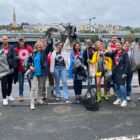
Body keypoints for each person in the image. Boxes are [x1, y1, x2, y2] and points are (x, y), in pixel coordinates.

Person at [27, 33, 53, 110]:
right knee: (33, 88)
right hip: (34, 72)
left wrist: (50, 37)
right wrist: (30, 66)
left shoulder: (44, 53)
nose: (39, 46)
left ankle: (39, 99)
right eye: (38, 45)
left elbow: (50, 45)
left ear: (42, 46)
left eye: (40, 45)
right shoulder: (33, 53)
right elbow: (29, 61)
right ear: (36, 46)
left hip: (42, 73)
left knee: (40, 87)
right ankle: (32, 103)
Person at [105, 41, 129, 107]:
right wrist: (104, 53)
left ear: (122, 45)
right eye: (116, 45)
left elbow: (127, 63)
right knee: (116, 87)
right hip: (115, 72)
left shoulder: (124, 53)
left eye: (119, 45)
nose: (117, 46)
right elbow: (109, 54)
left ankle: (124, 100)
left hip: (121, 73)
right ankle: (119, 98)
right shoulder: (115, 52)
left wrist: (125, 72)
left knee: (122, 87)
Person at [50, 37, 70, 103]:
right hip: (56, 68)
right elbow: (52, 63)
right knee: (57, 82)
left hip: (63, 68)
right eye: (59, 45)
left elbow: (66, 44)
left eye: (61, 45)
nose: (60, 46)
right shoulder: (53, 53)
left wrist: (68, 38)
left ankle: (66, 97)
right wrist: (52, 71)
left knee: (64, 82)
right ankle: (58, 95)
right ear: (56, 46)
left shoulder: (64, 52)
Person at [15, 36, 33, 101]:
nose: (21, 41)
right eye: (20, 40)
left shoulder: (29, 48)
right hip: (20, 69)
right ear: (18, 41)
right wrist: (16, 57)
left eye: (22, 40)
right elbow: (14, 57)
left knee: (30, 82)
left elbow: (33, 54)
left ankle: (32, 95)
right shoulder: (16, 49)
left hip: (28, 69)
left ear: (24, 41)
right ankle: (21, 95)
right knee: (21, 83)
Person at [0, 36, 17, 105]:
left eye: (6, 39)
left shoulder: (12, 49)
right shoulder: (0, 49)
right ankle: (4, 98)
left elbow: (15, 58)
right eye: (4, 39)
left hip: (10, 69)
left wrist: (13, 67)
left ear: (8, 40)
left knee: (10, 84)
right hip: (3, 70)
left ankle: (8, 95)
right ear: (2, 40)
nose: (5, 40)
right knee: (4, 85)